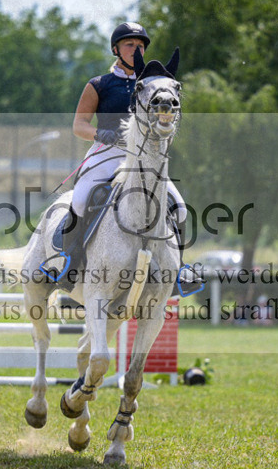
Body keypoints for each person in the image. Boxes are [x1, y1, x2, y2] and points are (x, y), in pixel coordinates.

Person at [50, 22, 198, 293]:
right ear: (116, 49)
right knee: (80, 200)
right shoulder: (100, 85)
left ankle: (179, 270)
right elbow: (79, 126)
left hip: (145, 159)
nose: (136, 49)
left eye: (140, 45)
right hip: (108, 154)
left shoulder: (155, 85)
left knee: (179, 207)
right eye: (129, 44)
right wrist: (100, 133)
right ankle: (70, 264)